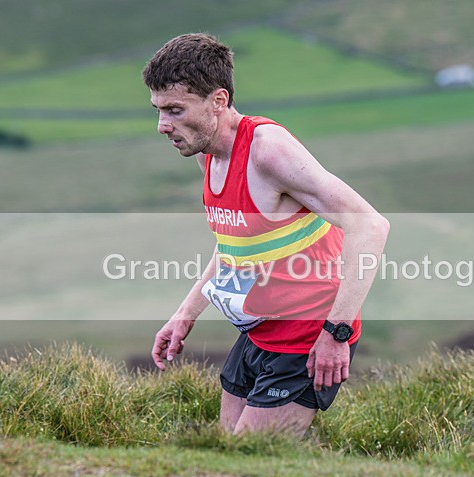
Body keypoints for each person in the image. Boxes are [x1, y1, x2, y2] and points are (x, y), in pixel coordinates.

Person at [143, 33, 389, 436]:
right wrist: (185, 315)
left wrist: (336, 334)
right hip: (258, 333)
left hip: (309, 336)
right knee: (227, 452)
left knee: (246, 464)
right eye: (157, 110)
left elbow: (371, 225)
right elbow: (233, 244)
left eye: (174, 110)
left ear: (218, 101)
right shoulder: (206, 154)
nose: (162, 125)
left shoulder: (267, 151)